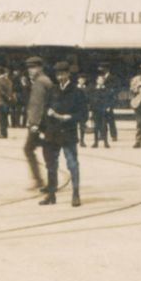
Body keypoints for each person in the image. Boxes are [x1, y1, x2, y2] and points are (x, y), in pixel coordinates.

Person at [40, 63, 86, 207]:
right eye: (57, 74)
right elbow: (45, 108)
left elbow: (83, 114)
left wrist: (70, 117)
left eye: (62, 74)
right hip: (52, 133)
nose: (60, 77)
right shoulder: (52, 90)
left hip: (68, 133)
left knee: (72, 164)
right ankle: (51, 195)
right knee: (51, 165)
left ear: (68, 74)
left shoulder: (77, 92)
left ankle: (75, 194)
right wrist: (42, 128)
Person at [21, 56, 55, 190]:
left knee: (28, 149)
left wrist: (33, 124)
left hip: (40, 123)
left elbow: (37, 105)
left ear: (40, 68)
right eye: (29, 67)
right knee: (48, 150)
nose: (30, 70)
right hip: (47, 122)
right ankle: (45, 180)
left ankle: (39, 180)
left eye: (33, 67)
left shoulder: (40, 82)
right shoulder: (44, 80)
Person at [91, 64, 116, 149]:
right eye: (99, 80)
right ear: (97, 81)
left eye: (102, 80)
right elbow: (91, 100)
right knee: (96, 126)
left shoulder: (107, 90)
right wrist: (91, 109)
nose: (101, 81)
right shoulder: (94, 90)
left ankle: (106, 142)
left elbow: (111, 99)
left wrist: (109, 106)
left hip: (104, 110)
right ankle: (95, 142)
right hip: (96, 110)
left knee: (104, 126)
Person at [0, 65, 15, 138]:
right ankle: (5, 133)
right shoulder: (8, 80)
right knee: (4, 118)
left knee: (1, 118)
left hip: (0, 101)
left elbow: (1, 91)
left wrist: (6, 97)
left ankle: (2, 133)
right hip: (5, 102)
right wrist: (9, 98)